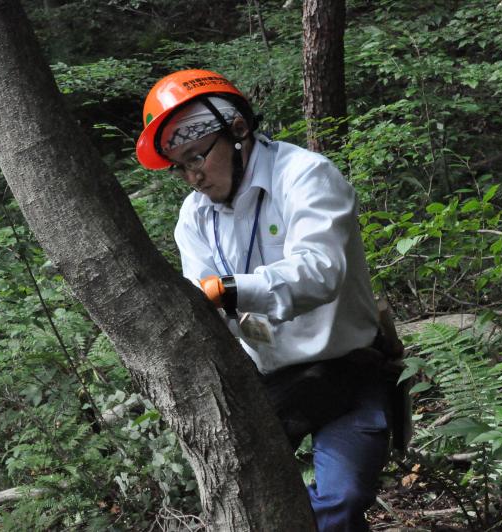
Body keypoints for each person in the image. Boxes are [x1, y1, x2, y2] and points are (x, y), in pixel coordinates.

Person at [136, 70, 396, 532]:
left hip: (350, 366)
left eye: (197, 156)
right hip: (267, 380)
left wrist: (230, 289)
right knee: (241, 491)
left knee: (344, 496)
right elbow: (200, 295)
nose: (193, 176)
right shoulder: (194, 216)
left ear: (238, 131)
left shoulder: (306, 176)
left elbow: (320, 272)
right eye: (179, 166)